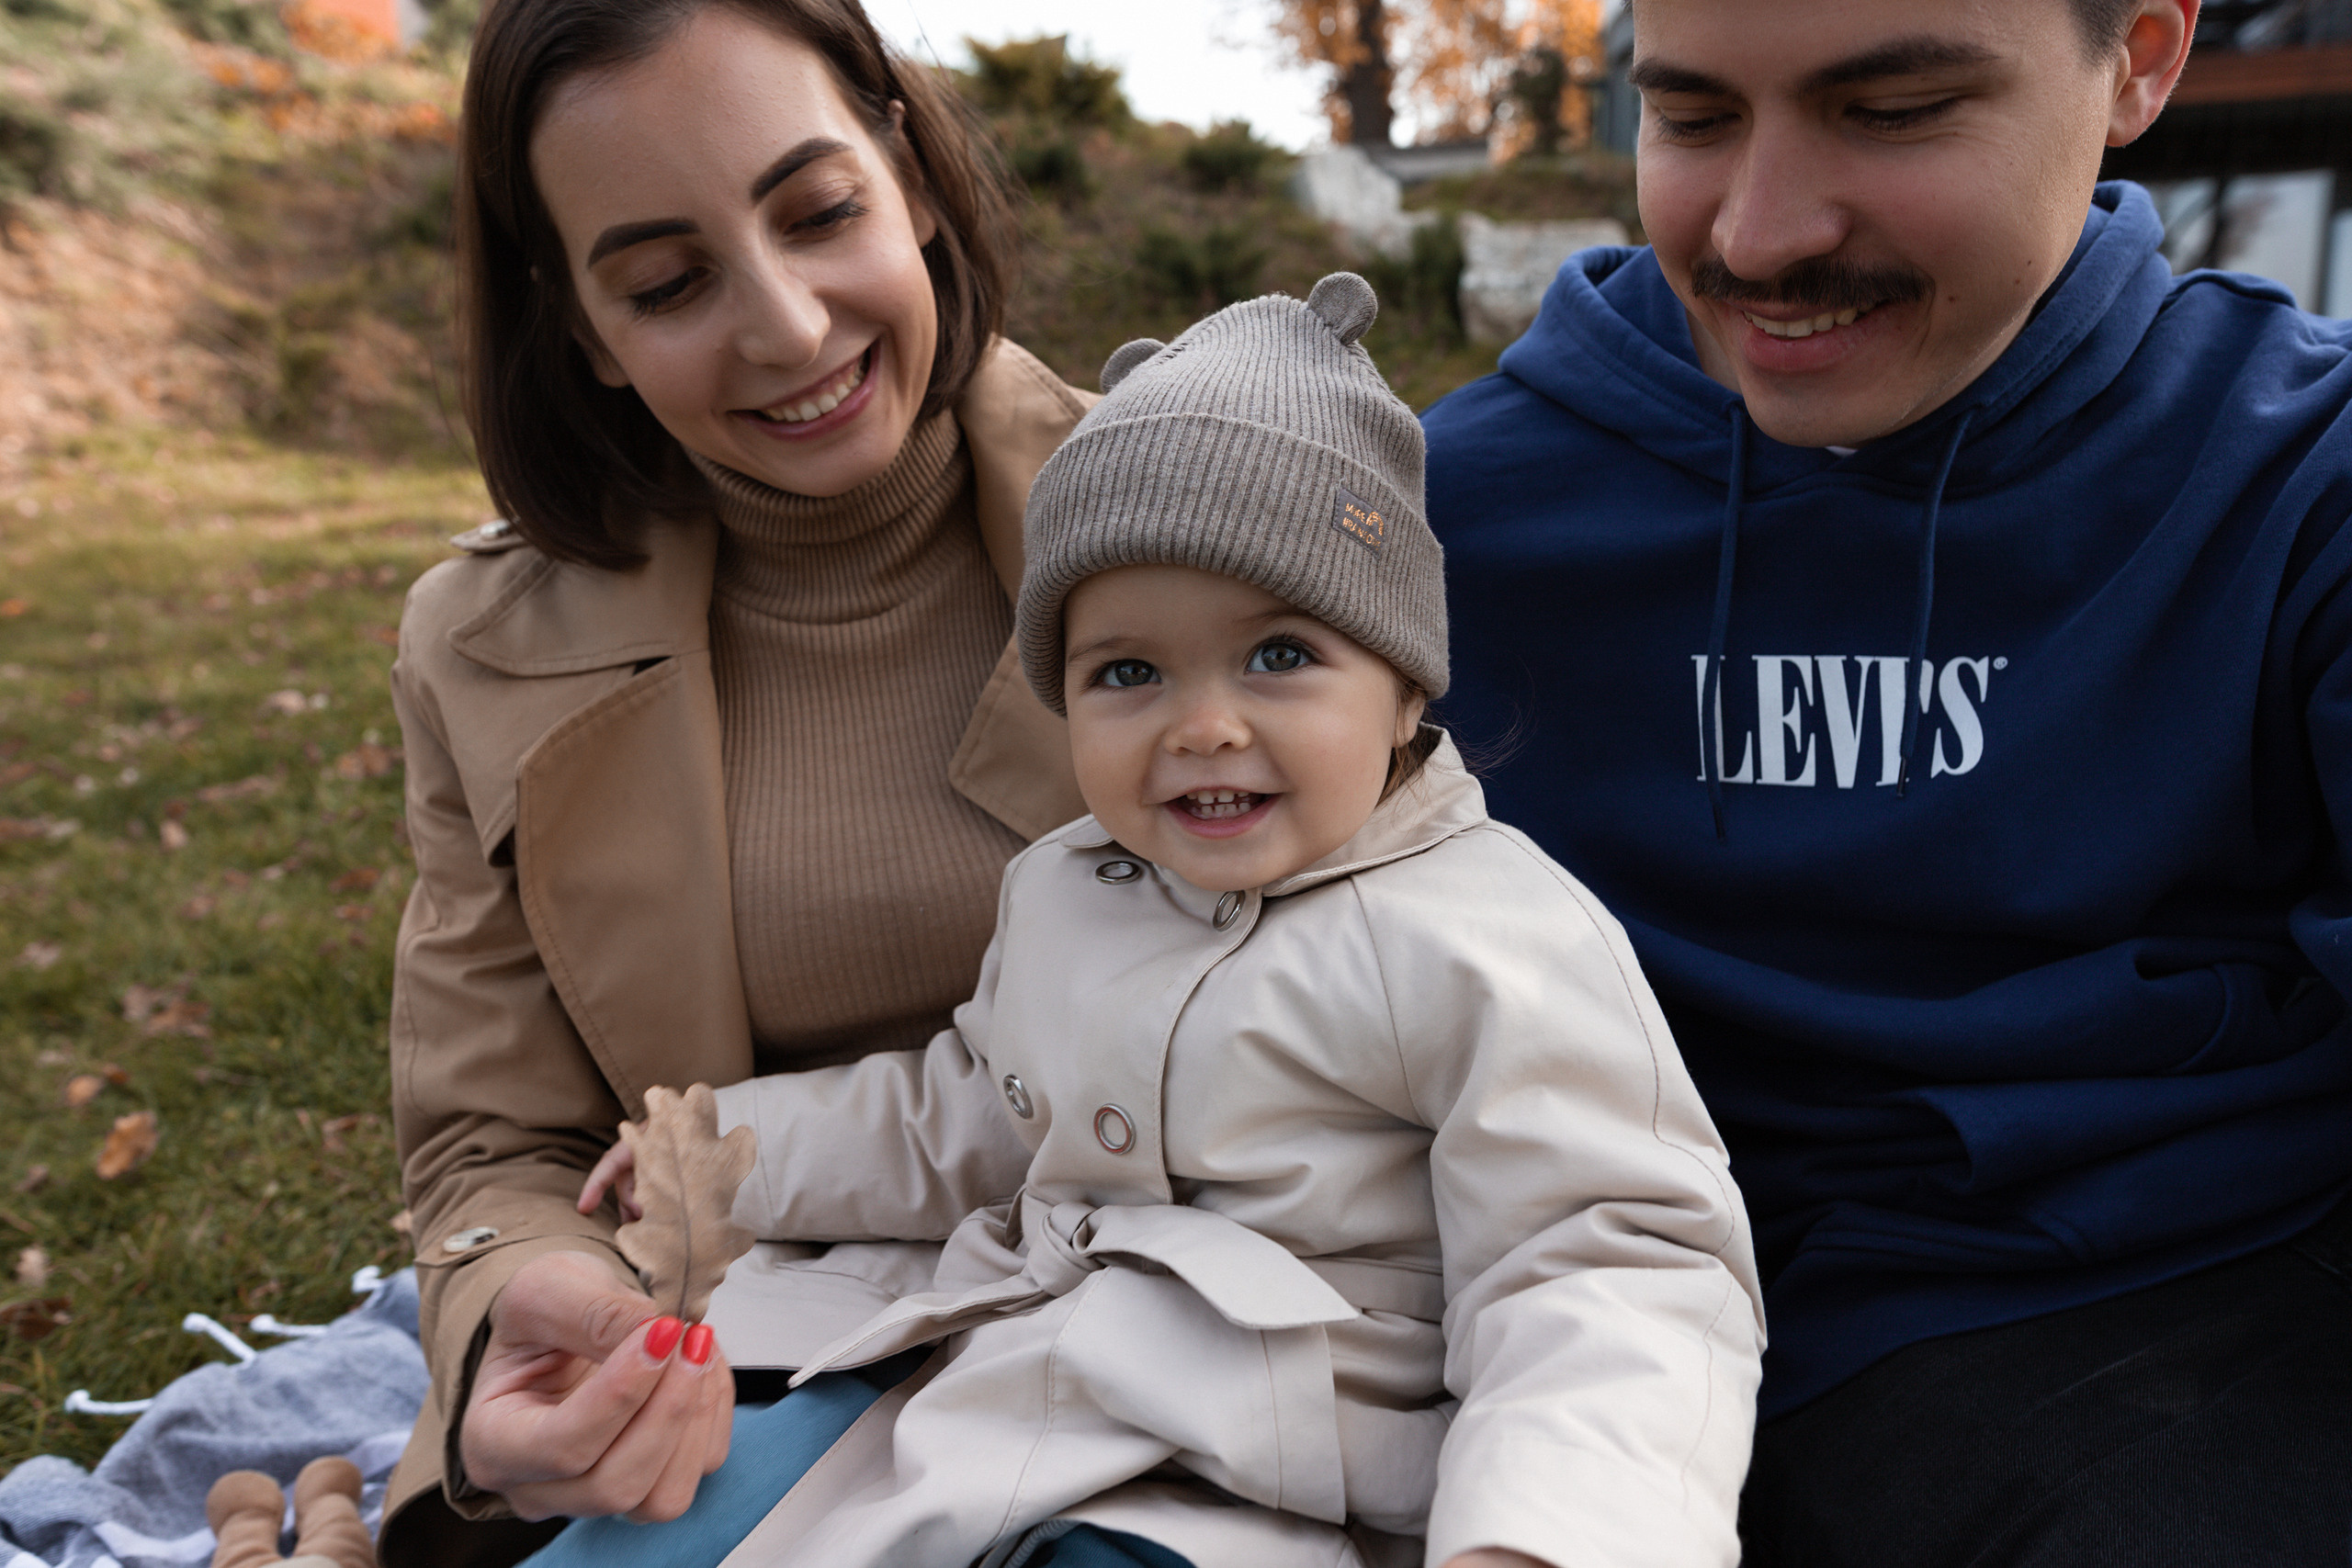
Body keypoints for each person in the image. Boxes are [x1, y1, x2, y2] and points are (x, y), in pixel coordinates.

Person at [534, 275, 1763, 1568]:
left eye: (1281, 655)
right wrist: (730, 1149)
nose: (1204, 724)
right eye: (1128, 672)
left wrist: (1542, 1538)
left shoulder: (1491, 937)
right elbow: (978, 1106)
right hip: (997, 1370)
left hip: (1256, 1475)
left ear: (1404, 686)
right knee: (676, 1523)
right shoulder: (1066, 884)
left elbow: (1606, 1258)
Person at [1422, 0, 2352, 1562]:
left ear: (2140, 59)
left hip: (2203, 1289)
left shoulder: (2299, 474)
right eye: (1696, 118)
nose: (1764, 236)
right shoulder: (1424, 529)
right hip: (1599, 1337)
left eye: (1900, 108)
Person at [376, 0, 1101, 1559]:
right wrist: (522, 1309)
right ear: (580, 328)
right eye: (666, 281)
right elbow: (492, 1145)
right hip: (730, 1378)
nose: (783, 327)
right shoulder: (476, 649)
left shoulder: (1202, 531)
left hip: (1157, 1355)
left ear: (907, 175)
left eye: (819, 212)